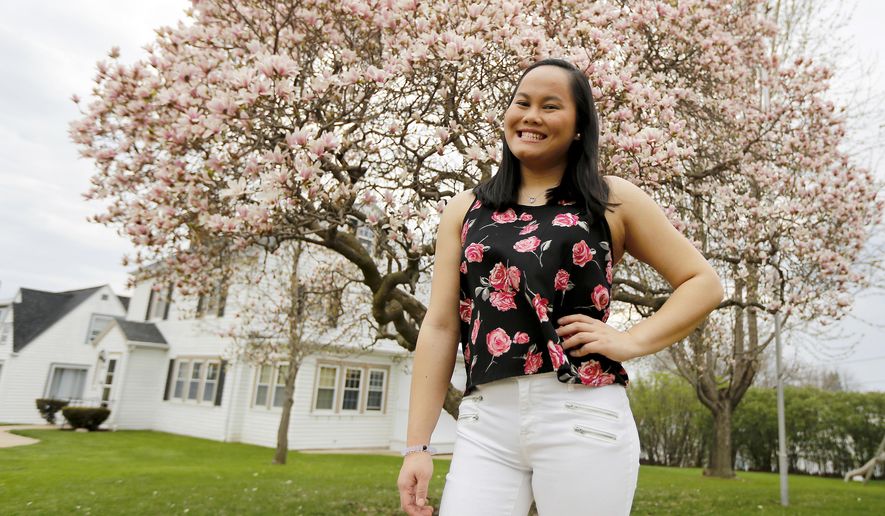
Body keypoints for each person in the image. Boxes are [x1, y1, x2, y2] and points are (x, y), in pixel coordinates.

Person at [396, 58, 724, 516]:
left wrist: (631, 340)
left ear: (577, 127)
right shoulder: (465, 209)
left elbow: (703, 283)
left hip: (582, 414)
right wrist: (418, 446)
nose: (530, 116)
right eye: (521, 103)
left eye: (550, 106)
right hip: (486, 421)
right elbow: (440, 327)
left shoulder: (612, 200)